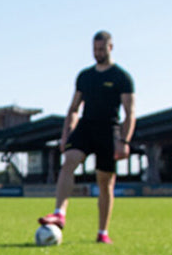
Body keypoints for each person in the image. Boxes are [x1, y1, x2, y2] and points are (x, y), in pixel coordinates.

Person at [38, 31, 135, 243]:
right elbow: (73, 108)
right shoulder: (85, 76)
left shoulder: (122, 77)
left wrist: (124, 140)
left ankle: (102, 232)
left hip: (109, 130)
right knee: (69, 160)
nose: (97, 53)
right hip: (86, 125)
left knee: (105, 182)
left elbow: (130, 112)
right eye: (95, 49)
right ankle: (59, 213)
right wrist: (66, 135)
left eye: (101, 49)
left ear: (110, 47)